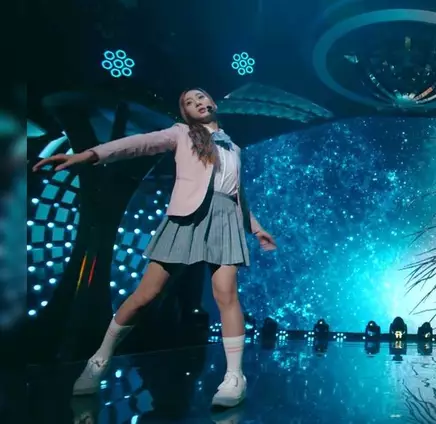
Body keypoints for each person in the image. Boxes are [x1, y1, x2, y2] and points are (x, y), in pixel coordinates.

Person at [32, 88, 277, 408]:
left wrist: (256, 228)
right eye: (189, 102)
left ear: (213, 103)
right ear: (186, 113)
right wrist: (87, 155)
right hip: (186, 218)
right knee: (145, 296)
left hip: (224, 220)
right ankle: (98, 360)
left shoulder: (234, 148)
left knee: (226, 294)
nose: (197, 103)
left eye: (201, 98)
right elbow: (136, 144)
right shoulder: (181, 134)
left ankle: (234, 377)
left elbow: (236, 194)